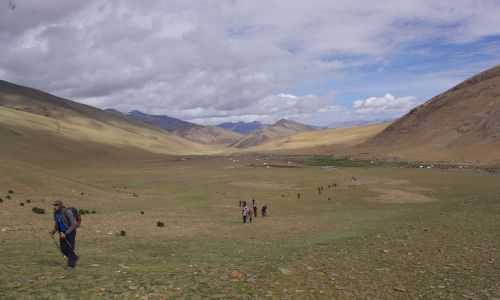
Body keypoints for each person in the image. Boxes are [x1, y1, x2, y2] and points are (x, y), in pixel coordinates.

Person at [50, 200, 79, 268]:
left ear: (60, 205)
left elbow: (74, 224)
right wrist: (53, 232)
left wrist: (66, 233)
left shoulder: (67, 212)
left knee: (69, 248)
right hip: (61, 232)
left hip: (70, 232)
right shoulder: (56, 213)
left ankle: (71, 265)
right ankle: (74, 257)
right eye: (54, 205)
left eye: (56, 205)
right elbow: (57, 224)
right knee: (63, 249)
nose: (55, 206)